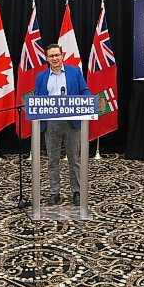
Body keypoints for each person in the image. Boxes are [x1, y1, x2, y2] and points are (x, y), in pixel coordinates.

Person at [34, 43, 90, 206]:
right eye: (51, 56)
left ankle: (77, 192)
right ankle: (54, 193)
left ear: (62, 55)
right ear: (47, 58)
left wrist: (83, 100)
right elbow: (37, 97)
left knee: (74, 158)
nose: (55, 58)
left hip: (72, 121)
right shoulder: (41, 77)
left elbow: (85, 91)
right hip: (51, 122)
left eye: (57, 55)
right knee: (52, 159)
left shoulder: (75, 72)